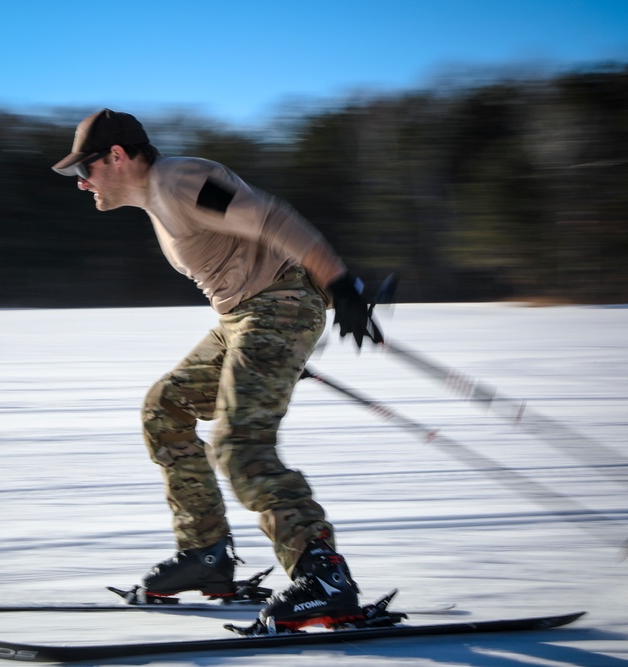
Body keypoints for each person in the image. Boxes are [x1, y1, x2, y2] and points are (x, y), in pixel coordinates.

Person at [52, 109, 384, 631]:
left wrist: (340, 284)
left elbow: (271, 218)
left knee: (239, 441)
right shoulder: (158, 201)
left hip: (276, 306)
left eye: (83, 170)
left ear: (117, 156)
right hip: (246, 319)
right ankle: (206, 553)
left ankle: (323, 577)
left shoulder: (181, 182)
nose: (81, 183)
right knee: (165, 407)